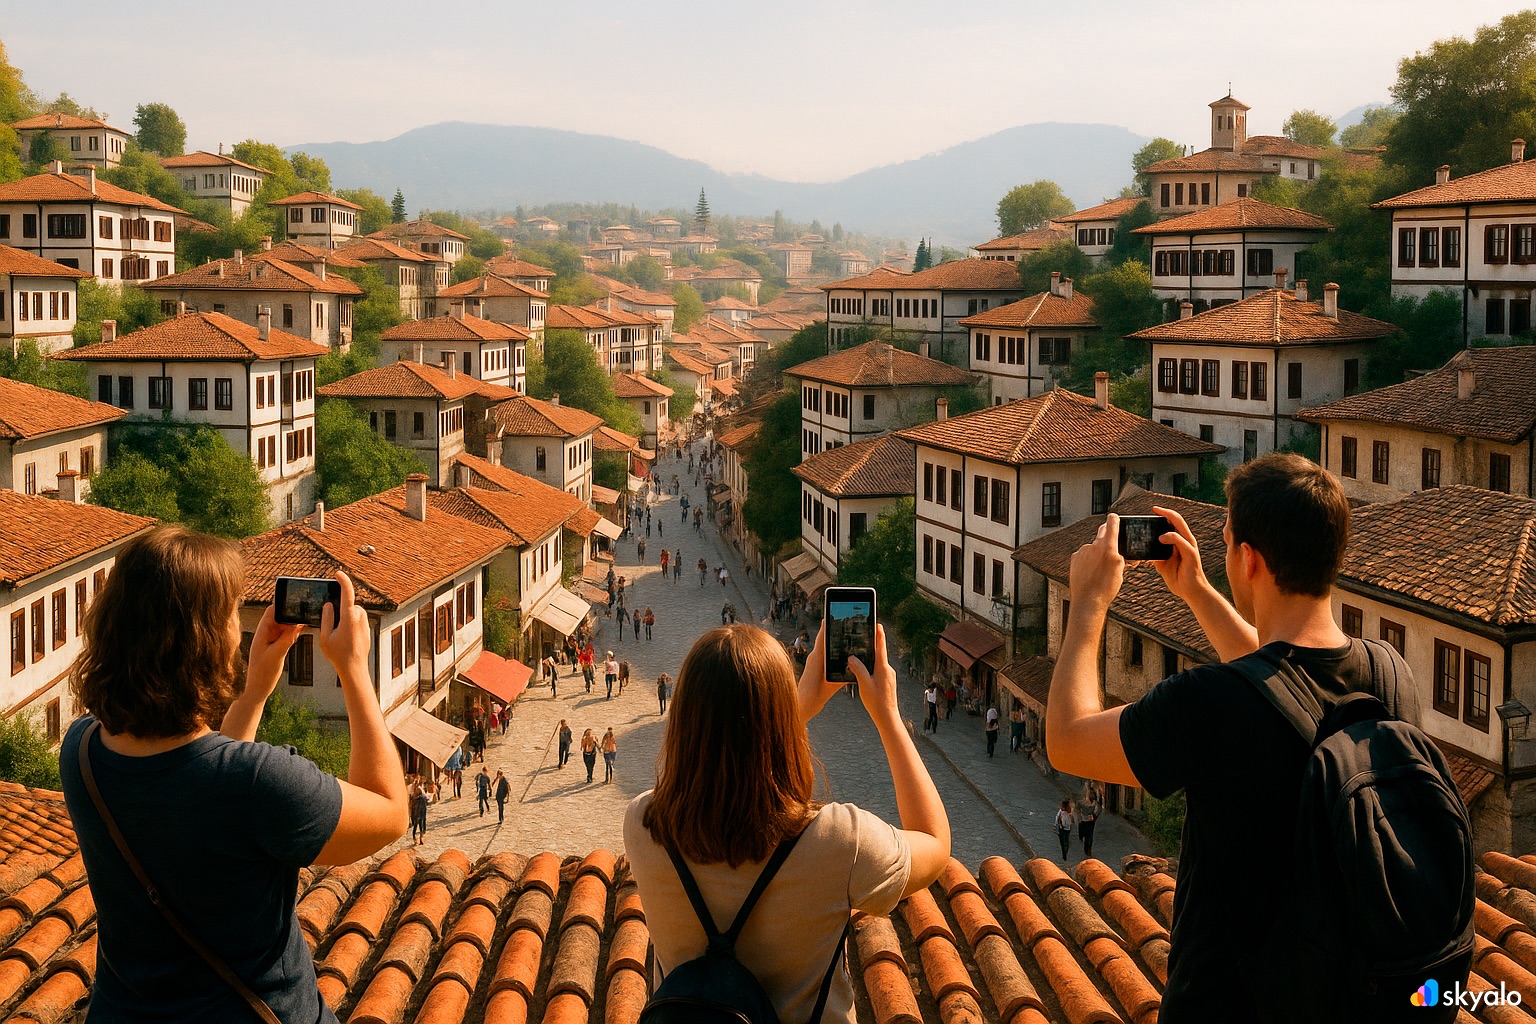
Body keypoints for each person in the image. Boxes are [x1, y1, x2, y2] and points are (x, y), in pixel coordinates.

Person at [1045, 454, 1427, 1021]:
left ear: (1248, 559)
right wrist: (1197, 591)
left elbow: (1067, 739)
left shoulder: (1210, 702)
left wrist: (1089, 603)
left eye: (1227, 544)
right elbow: (1281, 682)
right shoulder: (1392, 677)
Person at [59, 528, 408, 1024]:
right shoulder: (262, 782)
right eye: (229, 615)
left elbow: (199, 786)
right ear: (201, 640)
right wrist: (353, 670)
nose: (235, 629)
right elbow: (390, 810)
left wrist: (253, 693)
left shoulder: (81, 752)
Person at [624, 623, 951, 1024]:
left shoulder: (643, 823)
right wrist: (888, 717)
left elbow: (732, 761)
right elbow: (934, 843)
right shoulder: (839, 841)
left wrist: (796, 705)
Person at [1079, 784, 1102, 859]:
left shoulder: (1095, 803)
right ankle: (1087, 848)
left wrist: (1094, 816)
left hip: (1091, 820)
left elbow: (1098, 810)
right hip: (1085, 819)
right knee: (1087, 834)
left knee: (1089, 835)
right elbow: (1081, 809)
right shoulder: (1085, 802)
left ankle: (1088, 850)